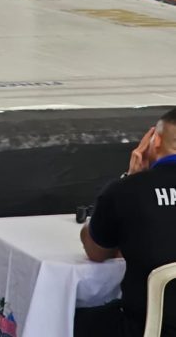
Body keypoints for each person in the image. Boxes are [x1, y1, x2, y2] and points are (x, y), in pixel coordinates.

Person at [76, 108, 176, 337]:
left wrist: (131, 177)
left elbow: (96, 252)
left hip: (148, 327)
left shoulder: (126, 191)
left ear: (155, 139)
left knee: (78, 317)